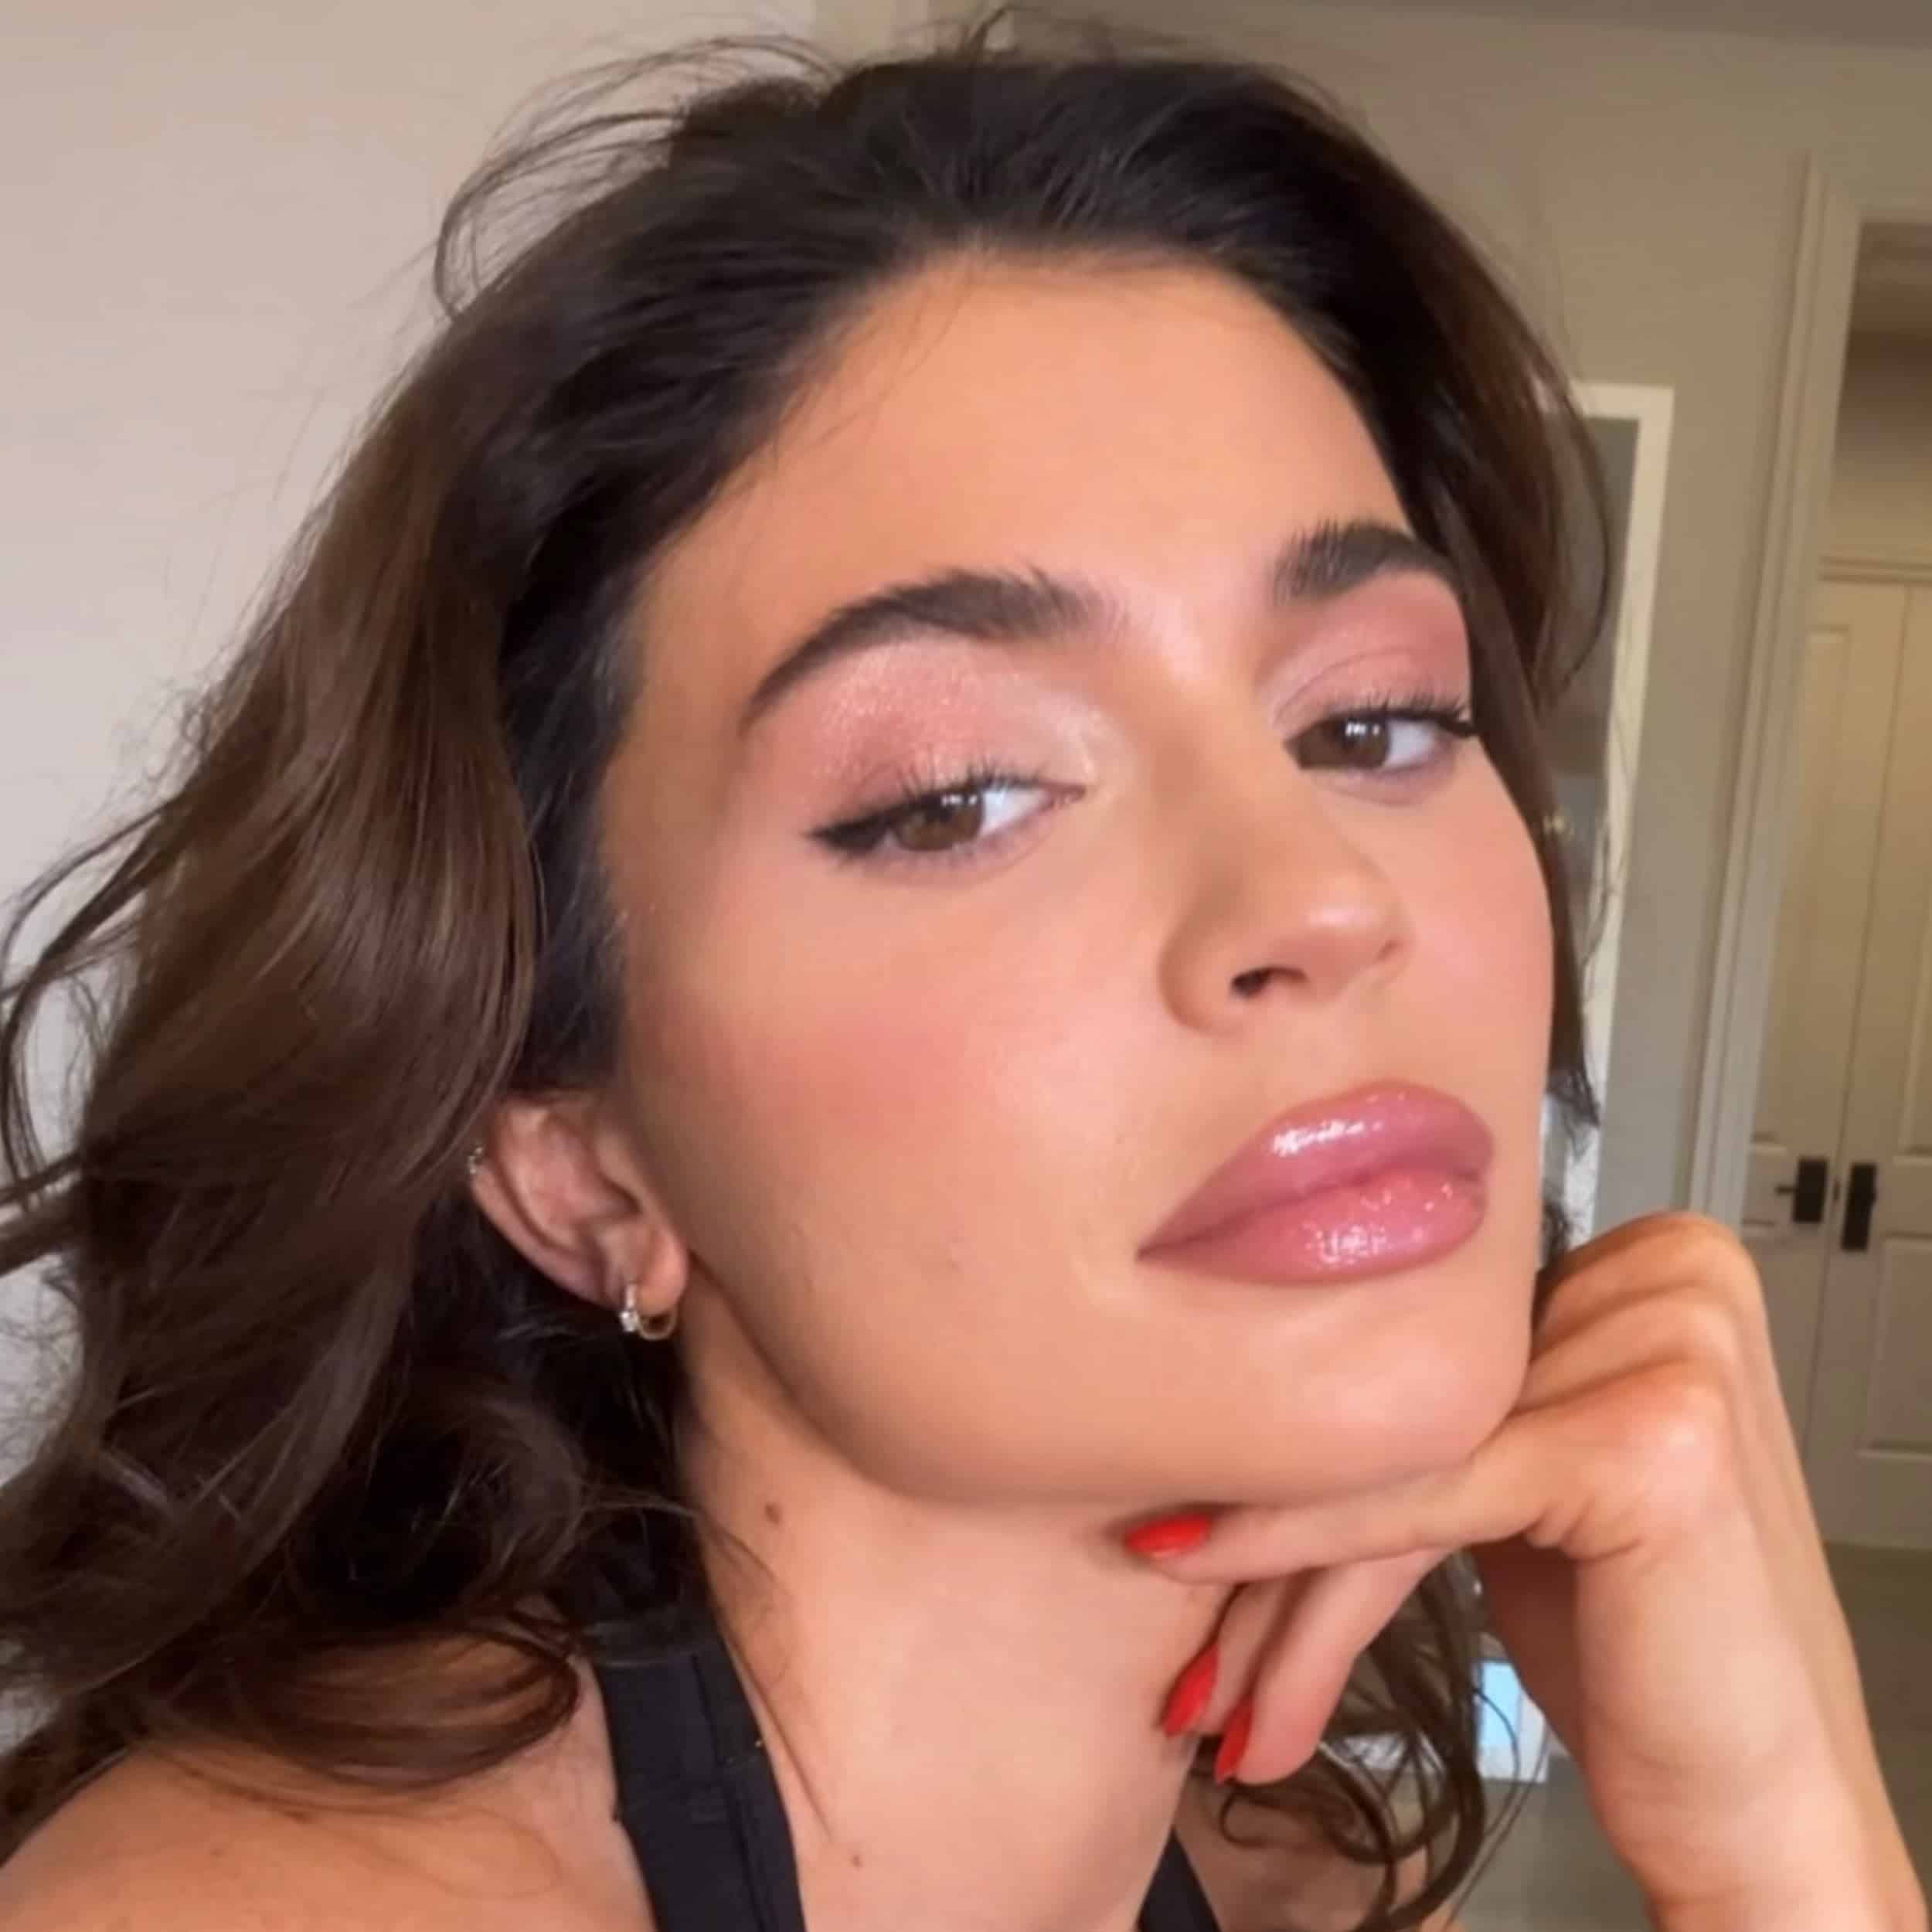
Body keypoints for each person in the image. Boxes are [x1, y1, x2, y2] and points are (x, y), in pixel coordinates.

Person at [0, 10, 1921, 1931]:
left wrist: (1780, 1834)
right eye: (960, 795)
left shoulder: (1300, 1876)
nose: (1322, 897)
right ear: (575, 1159)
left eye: (1372, 721)